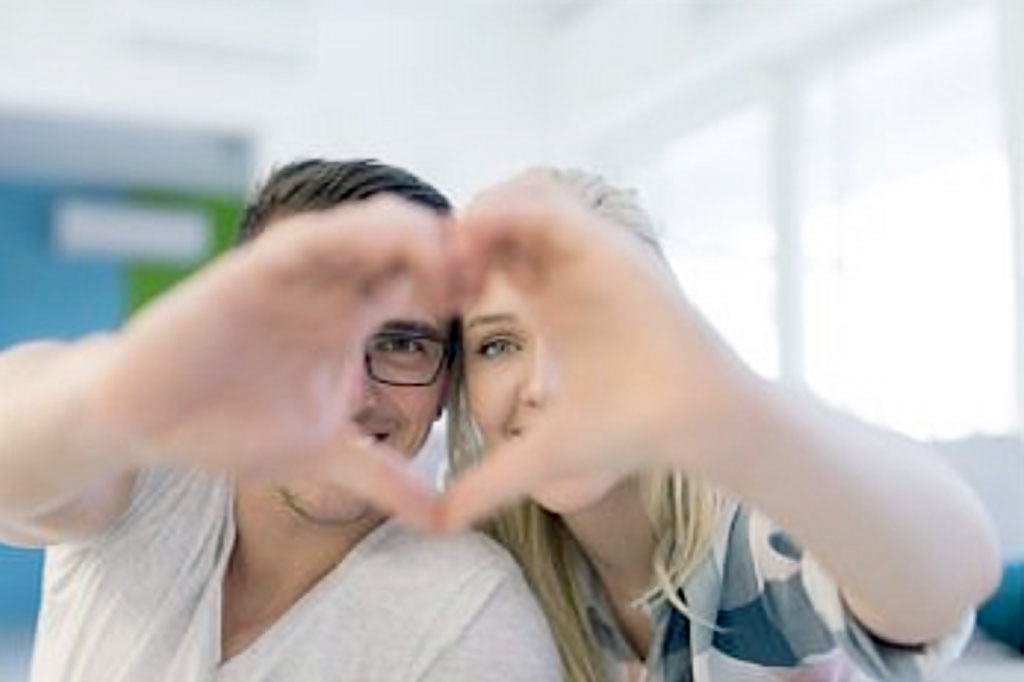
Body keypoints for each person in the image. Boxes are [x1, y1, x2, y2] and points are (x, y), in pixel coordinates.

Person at [0, 159, 559, 681]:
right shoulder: (150, 471)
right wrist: (134, 388)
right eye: (307, 330)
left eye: (401, 343)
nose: (349, 394)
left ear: (445, 386)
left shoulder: (473, 617)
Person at [443, 167, 1001, 681]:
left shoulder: (761, 541)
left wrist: (737, 408)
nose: (545, 386)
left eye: (589, 329)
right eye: (497, 345)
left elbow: (948, 582)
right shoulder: (483, 580)